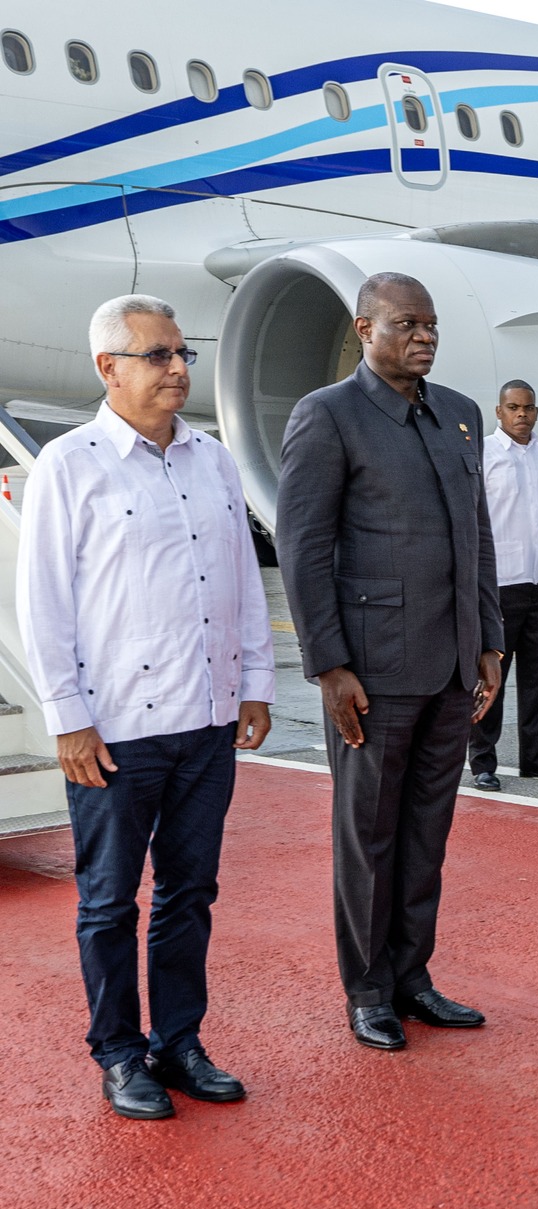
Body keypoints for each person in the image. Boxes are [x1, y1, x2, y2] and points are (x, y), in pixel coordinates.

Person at [15, 295, 275, 1119]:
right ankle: (120, 1053)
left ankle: (180, 1041)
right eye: (158, 354)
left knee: (191, 891)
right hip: (117, 728)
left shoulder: (212, 460)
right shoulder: (71, 463)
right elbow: (44, 601)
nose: (177, 368)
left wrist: (255, 682)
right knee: (107, 901)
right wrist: (67, 718)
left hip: (204, 722)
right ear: (108, 368)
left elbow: (240, 577)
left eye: (181, 352)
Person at [276, 272, 501, 1052]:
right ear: (366, 329)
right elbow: (302, 549)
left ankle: (413, 977)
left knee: (426, 834)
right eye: (408, 324)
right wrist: (329, 664)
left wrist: (491, 640)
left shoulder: (462, 417)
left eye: (432, 325)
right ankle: (366, 989)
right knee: (368, 836)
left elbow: (478, 536)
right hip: (371, 673)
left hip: (448, 668)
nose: (426, 337)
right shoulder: (329, 416)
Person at [470, 380, 538, 791]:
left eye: (528, 408)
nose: (522, 415)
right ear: (499, 412)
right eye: (513, 408)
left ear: (537, 411)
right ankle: (483, 760)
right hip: (500, 586)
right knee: (491, 676)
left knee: (537, 679)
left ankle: (535, 757)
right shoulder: (482, 455)